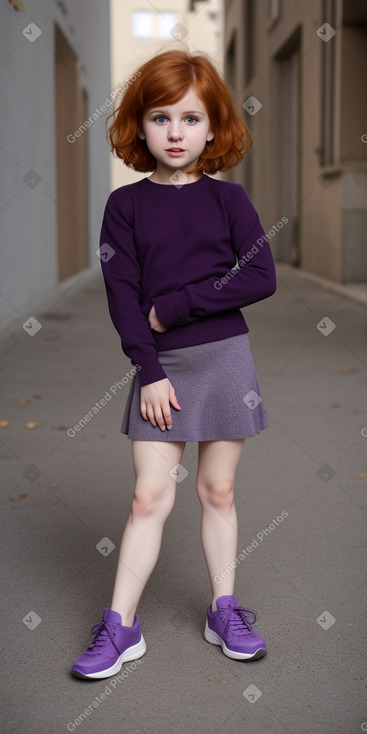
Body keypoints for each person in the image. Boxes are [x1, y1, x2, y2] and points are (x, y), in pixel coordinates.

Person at [72, 47, 277, 680]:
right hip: (161, 370)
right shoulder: (125, 208)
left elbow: (260, 276)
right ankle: (121, 625)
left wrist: (177, 308)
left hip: (225, 361)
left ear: (214, 126)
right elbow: (124, 301)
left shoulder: (230, 200)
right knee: (147, 498)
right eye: (161, 118)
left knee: (217, 490)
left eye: (190, 119)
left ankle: (224, 608)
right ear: (140, 126)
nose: (176, 133)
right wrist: (151, 368)